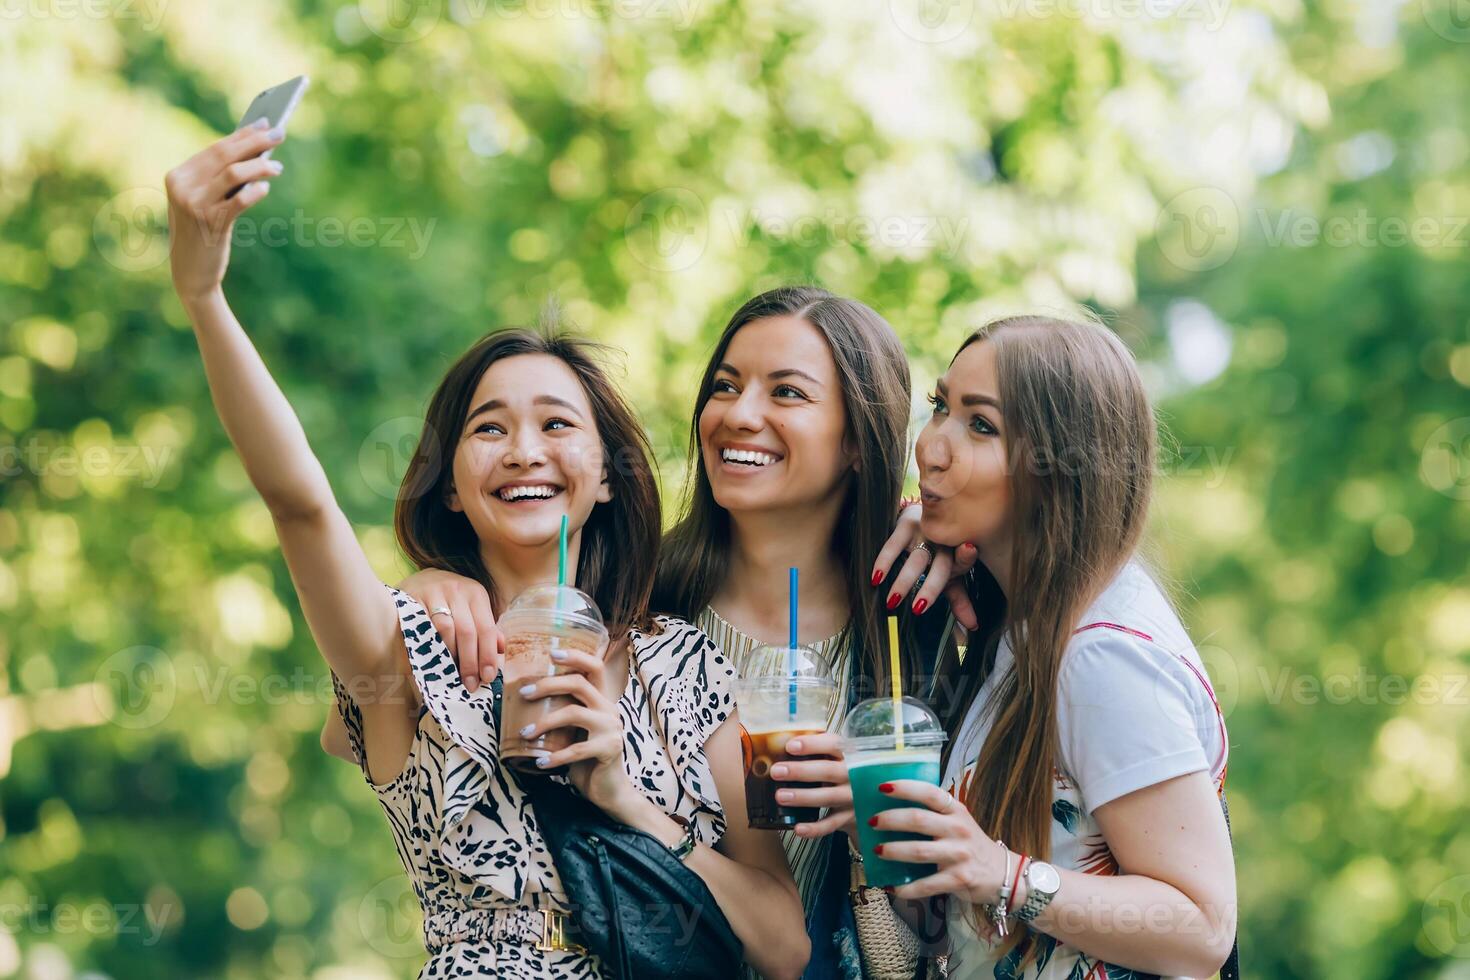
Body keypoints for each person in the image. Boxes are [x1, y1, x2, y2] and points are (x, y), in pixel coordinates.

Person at [164, 122, 809, 979]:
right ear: (452, 485)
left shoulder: (682, 664)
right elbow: (300, 503)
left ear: (606, 477)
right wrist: (204, 295)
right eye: (488, 427)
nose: (523, 450)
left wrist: (620, 795)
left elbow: (786, 944)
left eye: (556, 424)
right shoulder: (408, 650)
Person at [358, 285, 972, 977]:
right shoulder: (640, 609)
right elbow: (386, 710)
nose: (739, 415)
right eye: (726, 386)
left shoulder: (918, 613)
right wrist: (434, 583)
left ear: (860, 438)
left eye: (786, 393)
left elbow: (956, 915)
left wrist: (870, 818)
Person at [865, 316, 1237, 978]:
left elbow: (1202, 925)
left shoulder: (1100, 657)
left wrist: (1002, 874)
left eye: (981, 426)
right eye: (941, 407)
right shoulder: (1024, 621)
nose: (931, 448)